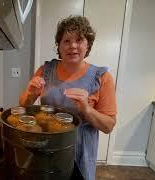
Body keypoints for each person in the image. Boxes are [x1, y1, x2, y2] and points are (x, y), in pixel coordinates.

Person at [19, 15, 117, 180]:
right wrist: (30, 93)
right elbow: (22, 106)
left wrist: (86, 109)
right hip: (46, 146)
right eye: (66, 41)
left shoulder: (102, 77)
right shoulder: (45, 70)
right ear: (59, 45)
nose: (72, 46)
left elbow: (108, 126)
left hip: (80, 151)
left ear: (88, 45)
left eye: (79, 40)